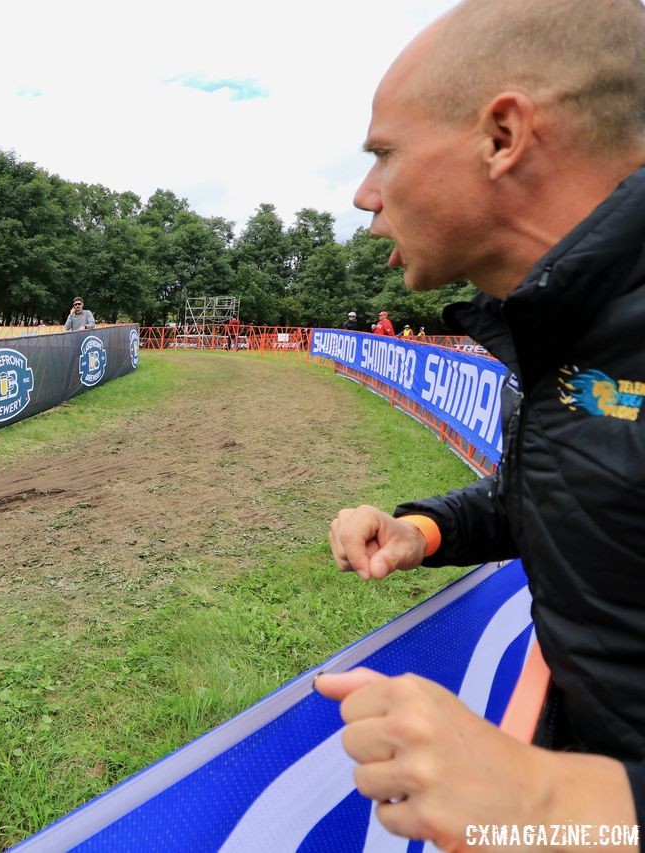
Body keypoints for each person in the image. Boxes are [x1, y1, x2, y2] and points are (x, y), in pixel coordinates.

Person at [319, 0, 645, 848]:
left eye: (384, 153)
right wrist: (422, 530)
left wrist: (558, 802)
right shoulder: (556, 324)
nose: (364, 195)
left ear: (502, 137)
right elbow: (578, 496)